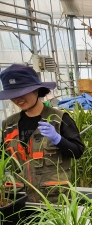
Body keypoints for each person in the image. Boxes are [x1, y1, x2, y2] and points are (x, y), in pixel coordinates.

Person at [0, 64, 85, 203]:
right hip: (20, 198)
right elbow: (2, 156)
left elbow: (78, 151)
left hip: (54, 199)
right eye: (13, 95)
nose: (18, 99)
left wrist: (58, 140)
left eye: (22, 93)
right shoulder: (9, 125)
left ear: (36, 90)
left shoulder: (59, 119)